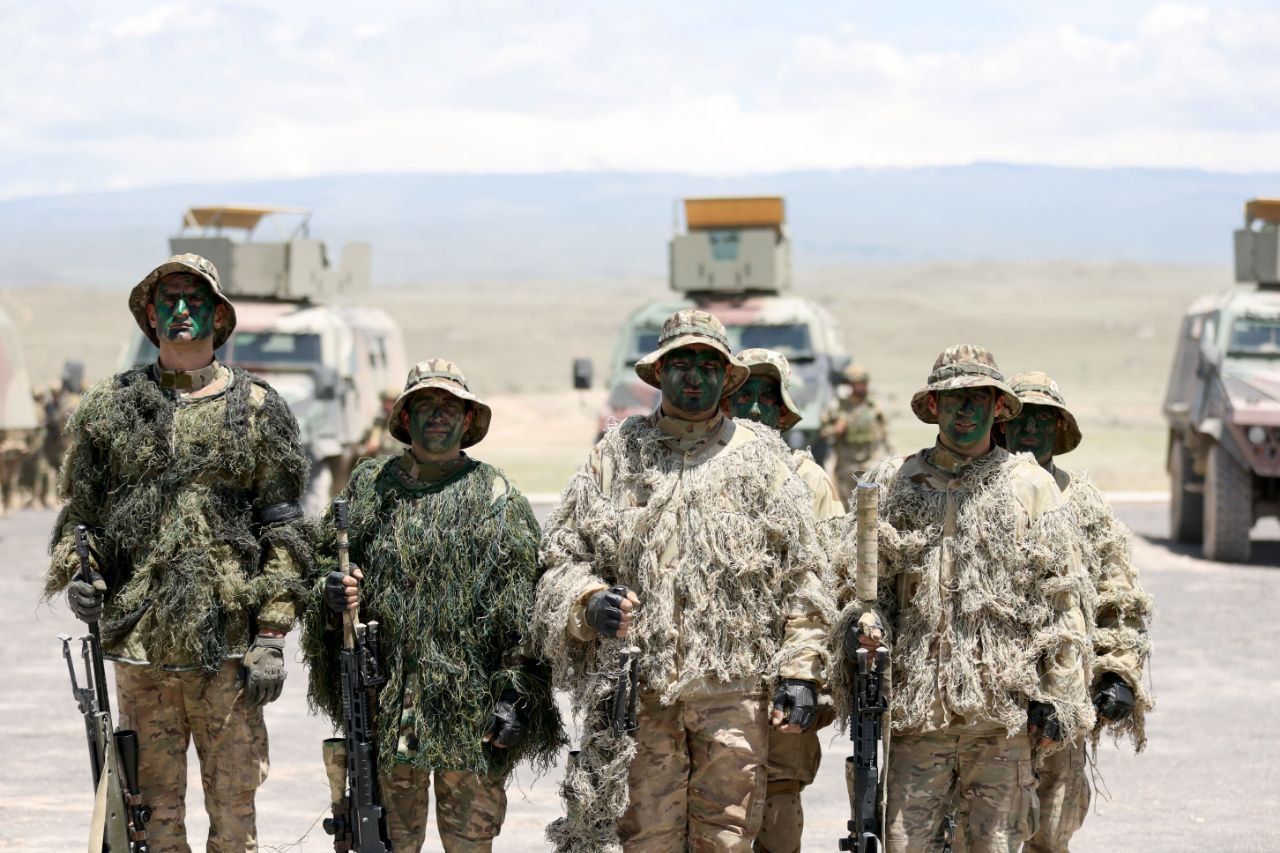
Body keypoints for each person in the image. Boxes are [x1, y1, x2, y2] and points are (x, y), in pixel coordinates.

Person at [533, 310, 834, 851]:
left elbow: (803, 576)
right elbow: (562, 558)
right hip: (641, 696)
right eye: (681, 363)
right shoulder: (616, 454)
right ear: (659, 372)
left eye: (708, 365)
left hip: (734, 693)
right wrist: (589, 600)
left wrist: (800, 670)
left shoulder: (762, 459)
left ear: (726, 377)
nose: (694, 376)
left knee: (728, 839)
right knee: (647, 839)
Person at [43, 253, 313, 851]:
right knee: (152, 820)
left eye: (196, 299)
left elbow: (285, 531)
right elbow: (81, 520)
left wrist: (272, 635)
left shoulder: (257, 408)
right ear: (151, 316)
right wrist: (80, 575)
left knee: (234, 818)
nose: (182, 309)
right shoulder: (113, 406)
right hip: (144, 653)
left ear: (218, 317)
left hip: (230, 650)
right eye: (169, 300)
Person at [833, 345, 1095, 853]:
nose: (966, 409)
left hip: (1001, 722)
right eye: (954, 398)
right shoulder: (895, 482)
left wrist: (1057, 696)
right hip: (917, 720)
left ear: (998, 407)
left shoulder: (1030, 487)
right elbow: (861, 587)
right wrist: (863, 627)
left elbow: (1063, 604)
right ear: (934, 406)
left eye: (979, 397)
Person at [303, 358, 564, 852]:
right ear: (406, 418)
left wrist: (515, 696)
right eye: (426, 404)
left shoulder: (496, 497)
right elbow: (323, 566)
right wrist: (331, 592)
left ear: (468, 420)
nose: (439, 414)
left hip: (472, 713)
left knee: (469, 842)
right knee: (390, 840)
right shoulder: (370, 487)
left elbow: (525, 613)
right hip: (393, 709)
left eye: (451, 406)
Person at [1001, 371, 1154, 853]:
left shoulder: (1081, 501)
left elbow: (1118, 595)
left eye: (1043, 420)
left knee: (1053, 829)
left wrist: (1119, 674)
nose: (1030, 430)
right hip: (993, 703)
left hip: (1065, 694)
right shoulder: (976, 493)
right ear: (1002, 424)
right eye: (1022, 418)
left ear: (1059, 430)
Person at [724, 347, 844, 852]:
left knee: (777, 807)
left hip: (785, 679)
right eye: (743, 394)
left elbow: (833, 582)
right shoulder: (703, 473)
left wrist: (808, 674)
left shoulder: (808, 480)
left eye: (766, 397)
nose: (754, 407)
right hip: (719, 683)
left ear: (782, 409)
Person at [821, 363, 892, 505]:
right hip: (847, 467)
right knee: (848, 505)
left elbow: (886, 435)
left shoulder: (874, 406)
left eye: (864, 383)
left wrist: (891, 458)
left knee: (872, 506)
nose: (862, 386)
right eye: (859, 383)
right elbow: (824, 433)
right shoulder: (838, 407)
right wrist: (836, 429)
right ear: (851, 385)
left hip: (871, 464)